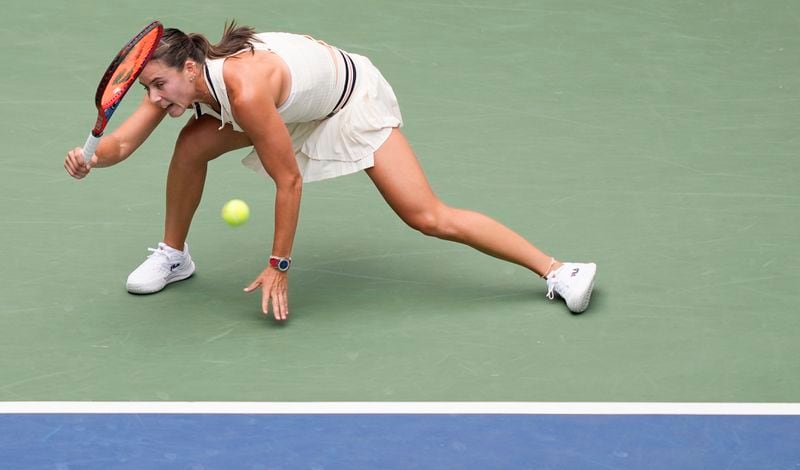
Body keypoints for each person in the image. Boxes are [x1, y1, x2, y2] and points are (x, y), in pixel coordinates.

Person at [64, 22, 597, 321]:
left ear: (187, 68)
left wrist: (279, 263)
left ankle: (558, 269)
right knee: (191, 144)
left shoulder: (245, 91)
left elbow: (288, 179)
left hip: (347, 100)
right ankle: (174, 257)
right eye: (147, 90)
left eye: (158, 86)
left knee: (425, 215)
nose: (154, 97)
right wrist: (90, 158)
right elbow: (123, 144)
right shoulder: (180, 84)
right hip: (291, 106)